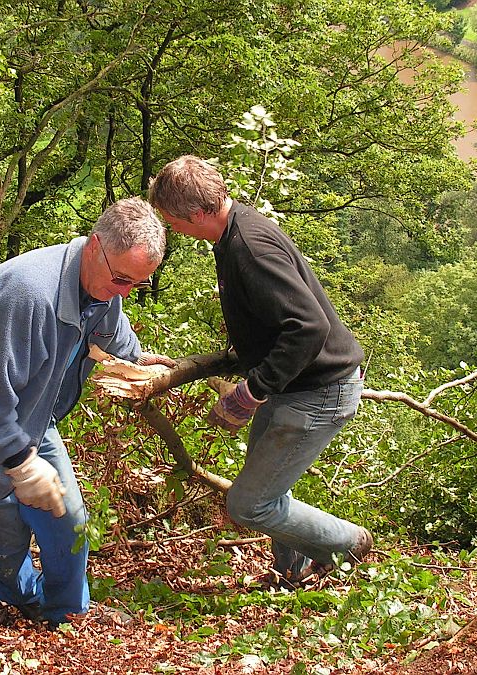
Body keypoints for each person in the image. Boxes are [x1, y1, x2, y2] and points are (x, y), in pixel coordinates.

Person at [0, 197, 173, 626]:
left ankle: (68, 614)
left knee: (68, 518)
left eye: (137, 283)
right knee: (6, 537)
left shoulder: (104, 285)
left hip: (32, 417)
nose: (125, 292)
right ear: (95, 246)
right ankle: (25, 601)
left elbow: (111, 330)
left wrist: (137, 359)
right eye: (121, 279)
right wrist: (21, 465)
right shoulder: (26, 295)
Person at [148, 156, 372, 586]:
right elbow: (273, 320)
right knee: (268, 486)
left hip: (318, 391)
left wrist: (252, 391)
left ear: (196, 214)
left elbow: (309, 327)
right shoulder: (233, 234)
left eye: (172, 221)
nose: (172, 229)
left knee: (249, 504)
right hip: (295, 386)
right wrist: (236, 360)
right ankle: (292, 572)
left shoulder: (249, 247)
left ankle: (348, 544)